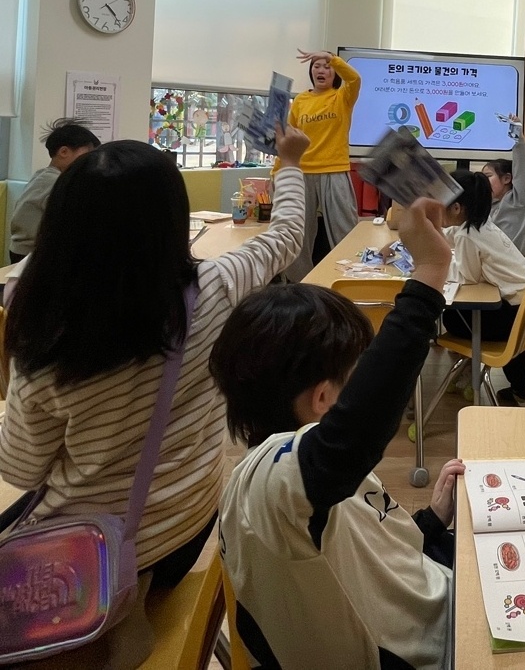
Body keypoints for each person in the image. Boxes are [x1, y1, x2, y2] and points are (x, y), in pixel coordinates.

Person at [0, 124, 308, 667]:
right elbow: (286, 235)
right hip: (191, 527)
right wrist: (290, 163)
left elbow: (21, 468)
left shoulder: (48, 339)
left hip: (89, 560)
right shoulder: (216, 287)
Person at [211, 198, 465, 670]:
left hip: (443, 595)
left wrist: (430, 521)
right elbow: (357, 433)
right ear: (324, 397)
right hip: (439, 650)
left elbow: (368, 553)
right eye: (357, 373)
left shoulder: (304, 474)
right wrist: (430, 272)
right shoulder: (268, 481)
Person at [441, 169, 525, 406]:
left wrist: (439, 264)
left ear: (456, 208)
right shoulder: (481, 224)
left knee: (451, 317)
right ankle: (517, 386)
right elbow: (450, 235)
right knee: (462, 312)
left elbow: (469, 278)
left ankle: (467, 373)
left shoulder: (468, 236)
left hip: (513, 318)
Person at [278, 48, 361, 281]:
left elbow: (355, 78)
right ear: (311, 71)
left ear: (335, 72)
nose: (322, 70)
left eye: (327, 66)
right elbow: (287, 137)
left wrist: (331, 57)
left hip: (334, 170)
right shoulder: (301, 100)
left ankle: (349, 280)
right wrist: (278, 172)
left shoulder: (342, 97)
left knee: (346, 229)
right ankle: (302, 284)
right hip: (302, 172)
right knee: (298, 233)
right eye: (317, 66)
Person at [9, 118, 101, 263]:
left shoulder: (44, 175)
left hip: (27, 250)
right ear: (63, 152)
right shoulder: (53, 182)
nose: (88, 162)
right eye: (86, 156)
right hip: (31, 254)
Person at [482, 114, 525, 268]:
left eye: (488, 176)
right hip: (501, 265)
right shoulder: (490, 206)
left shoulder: (519, 201)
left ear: (507, 178)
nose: (484, 182)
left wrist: (519, 139)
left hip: (522, 266)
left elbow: (523, 170)